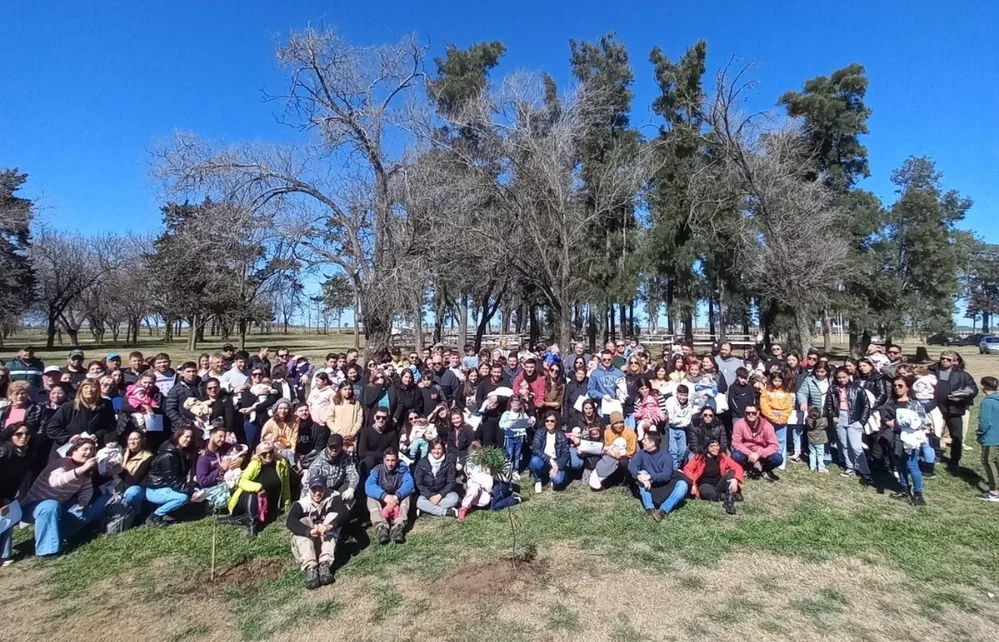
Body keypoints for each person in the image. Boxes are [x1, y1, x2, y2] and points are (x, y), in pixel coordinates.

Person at [21, 435, 110, 556]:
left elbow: (86, 489)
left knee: (84, 513)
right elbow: (55, 482)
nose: (88, 452)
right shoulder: (61, 463)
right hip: (34, 506)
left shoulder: (86, 470)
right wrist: (81, 469)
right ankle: (47, 551)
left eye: (91, 450)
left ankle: (56, 537)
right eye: (85, 449)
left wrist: (83, 501)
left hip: (60, 505)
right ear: (74, 450)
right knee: (50, 506)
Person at [287, 471, 351, 589]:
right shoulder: (301, 504)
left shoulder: (333, 497)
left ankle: (324, 565)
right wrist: (308, 531)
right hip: (307, 545)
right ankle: (310, 568)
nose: (317, 493)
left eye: (320, 489)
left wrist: (328, 526)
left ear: (325, 488)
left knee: (332, 516)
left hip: (326, 540)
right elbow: (290, 522)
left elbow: (344, 513)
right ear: (309, 490)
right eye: (314, 489)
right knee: (304, 521)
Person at [227, 442, 292, 535]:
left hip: (268, 503)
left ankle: (238, 520)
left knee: (265, 518)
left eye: (271, 451)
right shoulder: (255, 464)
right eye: (264, 453)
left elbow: (285, 484)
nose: (268, 455)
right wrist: (258, 488)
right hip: (248, 501)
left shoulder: (281, 464)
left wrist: (286, 503)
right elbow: (241, 481)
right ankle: (252, 524)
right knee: (252, 495)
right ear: (259, 455)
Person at [884, 376, 930, 506]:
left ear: (907, 387)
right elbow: (885, 418)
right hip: (894, 436)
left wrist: (903, 425)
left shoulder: (914, 404)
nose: (897, 388)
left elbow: (922, 423)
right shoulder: (891, 403)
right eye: (895, 386)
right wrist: (888, 422)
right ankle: (904, 488)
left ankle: (918, 494)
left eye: (900, 385)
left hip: (910, 439)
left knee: (912, 465)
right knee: (899, 463)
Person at [930, 350, 978, 472]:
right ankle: (933, 456)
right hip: (934, 408)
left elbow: (973, 390)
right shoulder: (931, 371)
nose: (944, 361)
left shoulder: (963, 375)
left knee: (956, 436)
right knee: (933, 434)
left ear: (955, 362)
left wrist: (961, 397)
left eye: (948, 359)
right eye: (942, 358)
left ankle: (954, 461)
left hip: (954, 409)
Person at [143, 427, 199, 527]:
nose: (189, 440)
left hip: (166, 486)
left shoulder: (181, 452)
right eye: (186, 436)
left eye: (191, 437)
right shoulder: (168, 455)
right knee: (183, 497)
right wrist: (191, 490)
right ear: (178, 436)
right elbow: (172, 480)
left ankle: (167, 513)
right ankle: (155, 516)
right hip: (156, 489)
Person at [824, 367, 872, 483]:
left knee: (855, 447)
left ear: (849, 376)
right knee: (844, 444)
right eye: (839, 378)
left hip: (854, 419)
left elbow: (866, 406)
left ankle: (865, 471)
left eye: (844, 377)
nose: (841, 380)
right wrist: (833, 416)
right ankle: (850, 467)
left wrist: (862, 421)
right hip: (840, 418)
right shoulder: (832, 389)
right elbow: (829, 405)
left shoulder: (858, 389)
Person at [628, 432, 689, 521]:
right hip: (649, 486)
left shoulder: (666, 456)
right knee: (642, 474)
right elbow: (632, 466)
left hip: (664, 485)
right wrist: (639, 476)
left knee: (683, 485)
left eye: (645, 439)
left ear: (652, 443)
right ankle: (650, 509)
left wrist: (650, 477)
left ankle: (662, 511)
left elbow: (666, 475)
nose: (642, 441)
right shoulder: (641, 453)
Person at [45, 379, 117, 449]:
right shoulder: (68, 407)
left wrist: (97, 435)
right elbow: (52, 428)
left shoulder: (105, 406)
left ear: (98, 390)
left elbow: (110, 427)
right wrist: (69, 438)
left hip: (92, 449)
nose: (89, 390)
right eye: (86, 387)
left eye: (93, 387)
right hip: (68, 448)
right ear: (81, 390)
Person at [365, 449, 414, 544]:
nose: (390, 463)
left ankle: (398, 526)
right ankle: (381, 527)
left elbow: (409, 483)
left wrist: (396, 496)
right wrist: (384, 496)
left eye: (393, 460)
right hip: (382, 500)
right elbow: (369, 485)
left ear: (397, 460)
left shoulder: (403, 469)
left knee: (407, 495)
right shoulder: (377, 470)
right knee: (370, 497)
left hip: (397, 499)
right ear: (383, 459)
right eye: (387, 460)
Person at [683, 437, 743, 515]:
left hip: (719, 485)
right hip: (706, 485)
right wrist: (692, 484)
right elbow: (687, 469)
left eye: (717, 445)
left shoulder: (722, 456)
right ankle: (730, 495)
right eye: (712, 446)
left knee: (731, 472)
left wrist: (735, 479)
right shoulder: (699, 457)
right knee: (705, 491)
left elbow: (737, 467)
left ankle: (729, 502)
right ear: (707, 447)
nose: (715, 448)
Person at [0, 422, 32, 563]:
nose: (23, 437)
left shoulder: (23, 454)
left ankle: (5, 555)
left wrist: (7, 498)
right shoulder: (3, 451)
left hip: (6, 496)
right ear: (10, 436)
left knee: (8, 518)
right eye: (18, 434)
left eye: (26, 434)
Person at [731, 404, 782, 480]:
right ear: (745, 413)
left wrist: (758, 454)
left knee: (778, 458)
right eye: (748, 413)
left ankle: (764, 470)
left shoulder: (767, 426)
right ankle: (748, 468)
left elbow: (774, 446)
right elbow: (736, 443)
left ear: (758, 413)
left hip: (762, 453)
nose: (750, 415)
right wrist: (751, 454)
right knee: (735, 455)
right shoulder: (739, 424)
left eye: (753, 413)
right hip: (747, 453)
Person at [305, 434, 359, 506]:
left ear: (342, 446)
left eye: (337, 447)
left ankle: (346, 511)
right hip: (323, 492)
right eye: (331, 447)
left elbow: (353, 474)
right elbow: (308, 483)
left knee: (352, 488)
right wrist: (303, 500)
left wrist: (351, 488)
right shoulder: (317, 463)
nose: (334, 450)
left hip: (339, 489)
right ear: (327, 446)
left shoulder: (347, 459)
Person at [589, 412, 637, 491]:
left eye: (621, 422)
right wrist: (612, 453)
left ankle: (624, 481)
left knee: (623, 462)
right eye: (616, 423)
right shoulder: (607, 432)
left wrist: (621, 454)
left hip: (626, 456)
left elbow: (631, 451)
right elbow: (608, 446)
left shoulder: (630, 433)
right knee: (605, 462)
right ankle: (604, 477)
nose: (619, 425)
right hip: (611, 454)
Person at [413, 440, 460, 518]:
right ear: (430, 449)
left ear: (443, 449)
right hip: (426, 495)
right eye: (434, 449)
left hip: (443, 494)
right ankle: (446, 512)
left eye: (439, 449)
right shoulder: (422, 463)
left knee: (454, 498)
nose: (436, 451)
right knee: (418, 501)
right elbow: (418, 483)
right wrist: (430, 495)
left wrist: (440, 495)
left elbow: (451, 483)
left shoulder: (448, 463)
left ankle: (426, 510)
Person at [529, 411, 569, 494]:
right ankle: (538, 480)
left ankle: (553, 478)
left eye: (552, 421)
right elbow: (535, 449)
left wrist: (557, 466)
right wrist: (549, 460)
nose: (549, 423)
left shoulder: (561, 435)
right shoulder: (539, 432)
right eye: (547, 421)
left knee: (558, 480)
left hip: (556, 461)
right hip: (544, 460)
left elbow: (565, 455)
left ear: (556, 422)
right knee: (534, 461)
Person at [759, 371, 793, 470]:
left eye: (779, 381)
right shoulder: (767, 391)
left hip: (782, 417)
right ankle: (767, 458)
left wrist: (782, 418)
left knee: (781, 440)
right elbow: (764, 406)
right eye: (775, 380)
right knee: (767, 438)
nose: (777, 383)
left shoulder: (786, 393)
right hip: (770, 417)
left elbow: (789, 406)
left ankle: (780, 460)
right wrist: (772, 417)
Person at [476, 363, 510, 449]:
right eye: (494, 372)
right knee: (488, 443)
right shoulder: (484, 383)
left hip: (501, 417)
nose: (496, 374)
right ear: (491, 371)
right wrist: (486, 407)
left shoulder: (505, 382)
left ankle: (500, 462)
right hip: (488, 417)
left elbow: (510, 397)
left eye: (498, 372)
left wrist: (498, 398)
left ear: (501, 373)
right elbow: (478, 399)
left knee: (500, 443)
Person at [357, 410, 399, 477]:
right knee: (370, 461)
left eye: (384, 418)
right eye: (378, 417)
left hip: (385, 461)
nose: (381, 420)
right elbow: (362, 453)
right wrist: (382, 455)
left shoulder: (392, 433)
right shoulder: (366, 432)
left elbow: (394, 450)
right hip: (369, 462)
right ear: (374, 417)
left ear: (387, 418)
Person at [977, 377, 999, 502]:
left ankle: (994, 491)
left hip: (990, 437)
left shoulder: (987, 402)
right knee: (996, 461)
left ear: (983, 386)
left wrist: (980, 433)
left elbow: (985, 422)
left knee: (988, 461)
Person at [500, 395, 532, 478]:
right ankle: (507, 470)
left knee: (517, 455)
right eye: (514, 403)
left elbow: (528, 423)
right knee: (509, 454)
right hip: (510, 438)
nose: (515, 405)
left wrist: (531, 421)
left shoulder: (522, 414)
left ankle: (515, 470)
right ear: (510, 403)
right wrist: (509, 425)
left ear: (521, 405)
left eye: (518, 403)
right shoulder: (507, 414)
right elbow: (501, 424)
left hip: (520, 437)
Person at [587, 350, 625, 418]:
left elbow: (624, 388)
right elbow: (590, 390)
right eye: (604, 359)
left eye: (609, 359)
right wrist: (602, 396)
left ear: (612, 359)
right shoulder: (595, 373)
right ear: (601, 359)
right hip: (602, 407)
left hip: (616, 405)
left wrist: (622, 394)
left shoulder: (619, 373)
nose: (607, 361)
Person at [260, 399, 300, 464]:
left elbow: (294, 436)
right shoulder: (270, 423)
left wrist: (292, 450)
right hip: (274, 450)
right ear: (276, 409)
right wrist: (274, 445)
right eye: (280, 408)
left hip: (289, 448)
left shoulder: (295, 419)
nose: (283, 411)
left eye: (286, 408)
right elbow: (263, 440)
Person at [164, 362, 201, 431]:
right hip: (184, 426)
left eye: (194, 371)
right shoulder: (176, 390)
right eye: (188, 371)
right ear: (183, 373)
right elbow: (170, 409)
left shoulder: (203, 386)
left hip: (202, 423)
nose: (191, 374)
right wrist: (183, 424)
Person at [664, 384, 694, 465]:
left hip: (682, 429)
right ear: (677, 394)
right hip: (671, 429)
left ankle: (678, 465)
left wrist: (678, 420)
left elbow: (688, 421)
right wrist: (682, 420)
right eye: (681, 395)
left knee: (682, 450)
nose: (682, 398)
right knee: (673, 450)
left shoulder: (689, 405)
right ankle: (674, 468)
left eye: (685, 395)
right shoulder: (670, 401)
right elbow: (670, 419)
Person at [804, 407, 829, 473]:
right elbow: (826, 424)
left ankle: (812, 466)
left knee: (812, 453)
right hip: (820, 441)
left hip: (811, 440)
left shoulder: (807, 420)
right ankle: (821, 467)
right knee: (820, 454)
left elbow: (807, 419)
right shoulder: (823, 420)